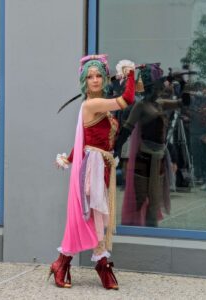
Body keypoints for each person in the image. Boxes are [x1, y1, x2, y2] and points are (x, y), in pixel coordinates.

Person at [49, 54, 135, 289]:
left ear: (105, 78)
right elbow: (127, 99)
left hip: (102, 165)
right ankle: (100, 265)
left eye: (99, 75)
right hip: (94, 168)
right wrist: (130, 74)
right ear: (84, 81)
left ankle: (62, 263)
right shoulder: (91, 104)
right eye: (90, 77)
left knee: (93, 216)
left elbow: (82, 139)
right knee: (93, 216)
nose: (95, 80)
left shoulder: (99, 106)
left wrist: (69, 157)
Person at [114, 65, 190, 227]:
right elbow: (127, 128)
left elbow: (184, 102)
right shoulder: (140, 106)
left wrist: (183, 83)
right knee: (140, 199)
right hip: (144, 157)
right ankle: (137, 231)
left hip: (159, 157)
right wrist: (116, 149)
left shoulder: (161, 103)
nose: (160, 88)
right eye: (157, 86)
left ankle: (152, 229)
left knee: (155, 200)